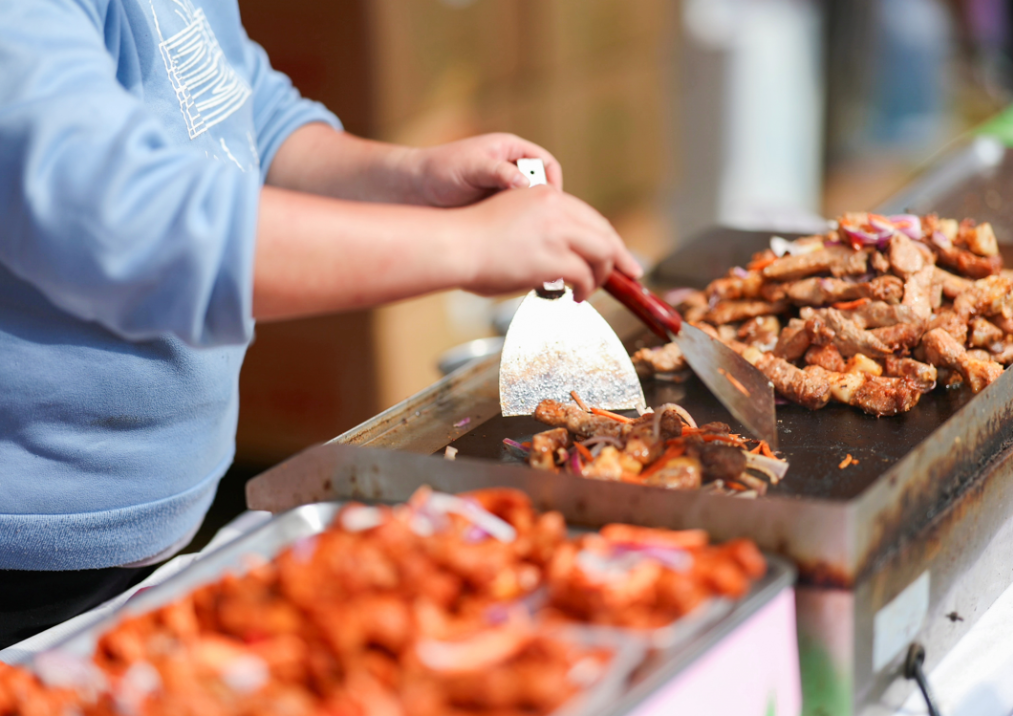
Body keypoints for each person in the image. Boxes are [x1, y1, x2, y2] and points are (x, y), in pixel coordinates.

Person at [0, 0, 640, 649]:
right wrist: (464, 245)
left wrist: (410, 179)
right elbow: (129, 224)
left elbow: (242, 117)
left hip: (142, 531)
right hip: (26, 568)